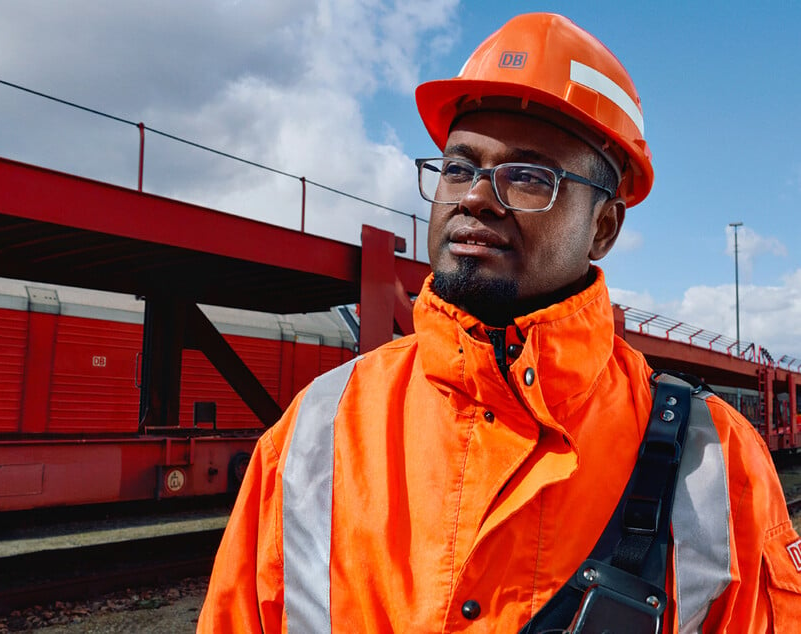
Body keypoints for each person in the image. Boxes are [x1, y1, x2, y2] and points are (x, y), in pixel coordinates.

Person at [198, 12, 801, 632]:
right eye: (459, 168)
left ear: (604, 228)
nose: (476, 197)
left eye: (530, 176)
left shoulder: (719, 462)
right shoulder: (315, 430)